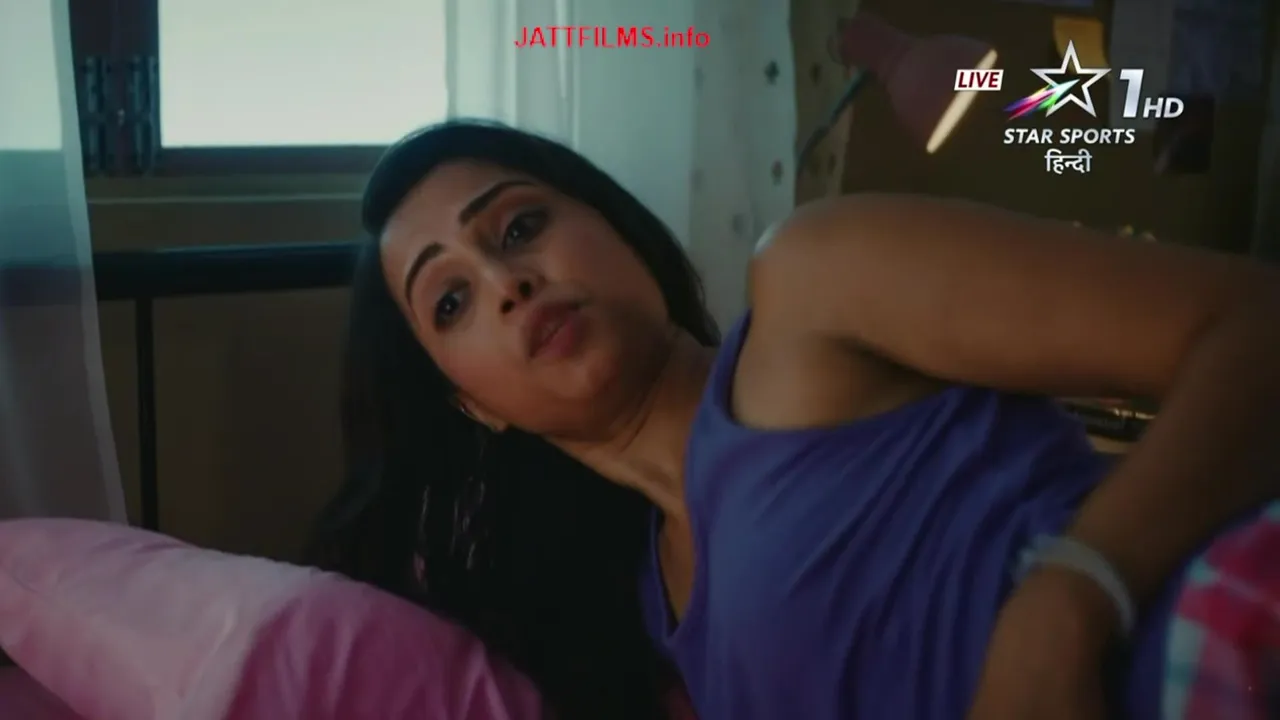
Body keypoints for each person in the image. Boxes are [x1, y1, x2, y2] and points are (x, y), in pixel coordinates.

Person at [311, 120, 1280, 720]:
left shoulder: (814, 287)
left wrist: (1065, 607)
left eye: (520, 226)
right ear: (471, 403)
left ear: (616, 225)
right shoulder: (649, 635)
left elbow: (1256, 325)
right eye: (451, 301)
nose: (507, 282)